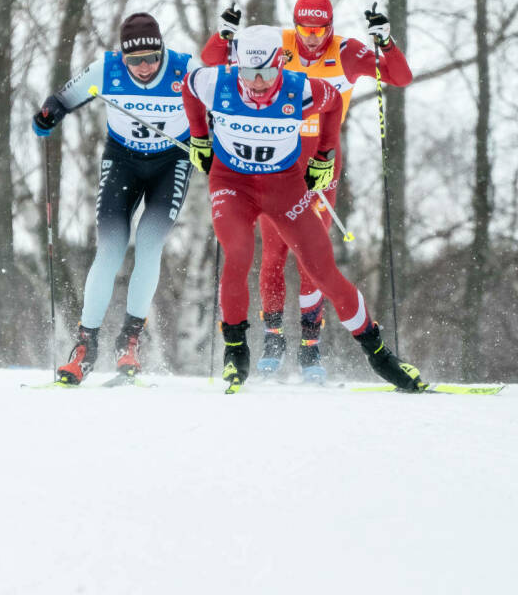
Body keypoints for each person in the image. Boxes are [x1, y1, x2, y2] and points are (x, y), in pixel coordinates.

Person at [183, 24, 427, 393]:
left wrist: (325, 155)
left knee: (323, 271)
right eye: (249, 73)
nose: (258, 83)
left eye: (266, 73)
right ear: (237, 67)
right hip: (233, 185)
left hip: (284, 187)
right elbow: (188, 87)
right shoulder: (216, 82)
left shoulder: (300, 88)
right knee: (238, 253)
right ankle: (235, 349)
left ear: (280, 64)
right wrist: (199, 137)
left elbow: (334, 103)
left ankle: (379, 354)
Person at [33, 12, 202, 384]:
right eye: (135, 60)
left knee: (149, 242)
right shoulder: (107, 70)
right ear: (123, 56)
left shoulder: (185, 69)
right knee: (110, 248)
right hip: (123, 160)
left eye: (152, 58)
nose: (144, 67)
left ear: (162, 51)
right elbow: (62, 99)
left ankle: (129, 340)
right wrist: (48, 114)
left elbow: (224, 100)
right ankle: (85, 346)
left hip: (171, 161)